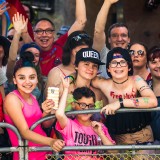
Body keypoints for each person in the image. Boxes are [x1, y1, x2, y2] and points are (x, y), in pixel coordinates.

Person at [92, 47, 157, 157]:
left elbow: (152, 101)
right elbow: (83, 74)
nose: (118, 66)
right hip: (119, 143)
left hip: (143, 141)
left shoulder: (136, 80)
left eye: (122, 62)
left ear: (129, 66)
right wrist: (69, 78)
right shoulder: (103, 83)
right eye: (114, 63)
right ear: (108, 68)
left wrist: (120, 103)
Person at [4, 52, 65, 160]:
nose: (27, 82)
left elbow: (44, 125)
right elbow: (24, 132)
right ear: (14, 80)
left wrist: (46, 111)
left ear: (37, 79)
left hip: (45, 153)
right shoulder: (12, 98)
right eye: (22, 78)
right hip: (26, 155)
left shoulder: (33, 97)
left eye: (32, 77)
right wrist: (51, 141)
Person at [55, 75, 115, 159]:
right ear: (74, 104)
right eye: (82, 105)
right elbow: (59, 114)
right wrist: (65, 90)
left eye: (90, 106)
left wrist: (101, 134)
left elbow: (113, 152)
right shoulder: (69, 125)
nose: (86, 109)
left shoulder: (100, 126)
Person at [33, 0, 87, 77]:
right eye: (39, 31)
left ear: (54, 34)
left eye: (48, 31)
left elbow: (81, 21)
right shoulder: (30, 49)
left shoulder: (61, 44)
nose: (44, 35)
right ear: (34, 35)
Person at [44, 31, 93, 98]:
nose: (82, 56)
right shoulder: (56, 73)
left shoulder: (92, 71)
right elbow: (51, 103)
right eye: (78, 52)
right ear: (70, 50)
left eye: (85, 52)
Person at [93, 0, 131, 78]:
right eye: (115, 35)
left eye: (123, 35)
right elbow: (98, 31)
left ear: (129, 39)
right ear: (109, 39)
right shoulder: (103, 55)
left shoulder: (135, 57)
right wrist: (107, 3)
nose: (119, 39)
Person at [147, 46, 160, 147]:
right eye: (153, 62)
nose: (158, 65)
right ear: (148, 65)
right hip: (151, 144)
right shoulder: (143, 87)